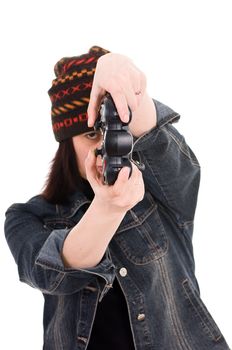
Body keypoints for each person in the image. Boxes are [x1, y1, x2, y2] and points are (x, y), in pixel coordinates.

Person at [4, 45, 230, 350]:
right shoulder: (28, 217)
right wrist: (109, 208)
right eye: (91, 134)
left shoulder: (160, 190)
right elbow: (51, 272)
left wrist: (127, 84)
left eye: (112, 130)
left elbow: (158, 139)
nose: (106, 144)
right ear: (65, 143)